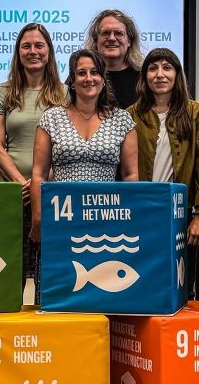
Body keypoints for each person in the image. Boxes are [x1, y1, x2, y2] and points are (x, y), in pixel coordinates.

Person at [128, 47, 199, 299]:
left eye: (167, 67)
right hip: (142, 213)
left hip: (181, 215)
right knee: (142, 284)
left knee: (181, 289)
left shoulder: (195, 113)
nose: (160, 74)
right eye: (153, 68)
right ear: (144, 77)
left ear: (177, 74)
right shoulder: (131, 115)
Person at [0, 23, 68, 288]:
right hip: (12, 193)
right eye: (26, 46)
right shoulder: (1, 92)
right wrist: (20, 183)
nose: (33, 51)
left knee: (50, 277)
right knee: (11, 275)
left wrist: (40, 184)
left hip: (53, 194)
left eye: (39, 45)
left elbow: (69, 143)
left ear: (49, 51)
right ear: (17, 52)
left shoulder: (66, 94)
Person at [30, 49, 138, 244]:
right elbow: (39, 173)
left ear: (103, 79)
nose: (89, 78)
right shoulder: (52, 118)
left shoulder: (122, 120)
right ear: (72, 80)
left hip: (107, 216)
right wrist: (37, 218)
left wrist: (128, 217)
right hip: (62, 215)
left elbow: (130, 175)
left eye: (95, 72)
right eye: (81, 73)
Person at [83, 9, 144, 108]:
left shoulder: (143, 78)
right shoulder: (82, 76)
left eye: (119, 33)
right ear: (95, 40)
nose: (112, 38)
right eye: (106, 33)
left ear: (129, 41)